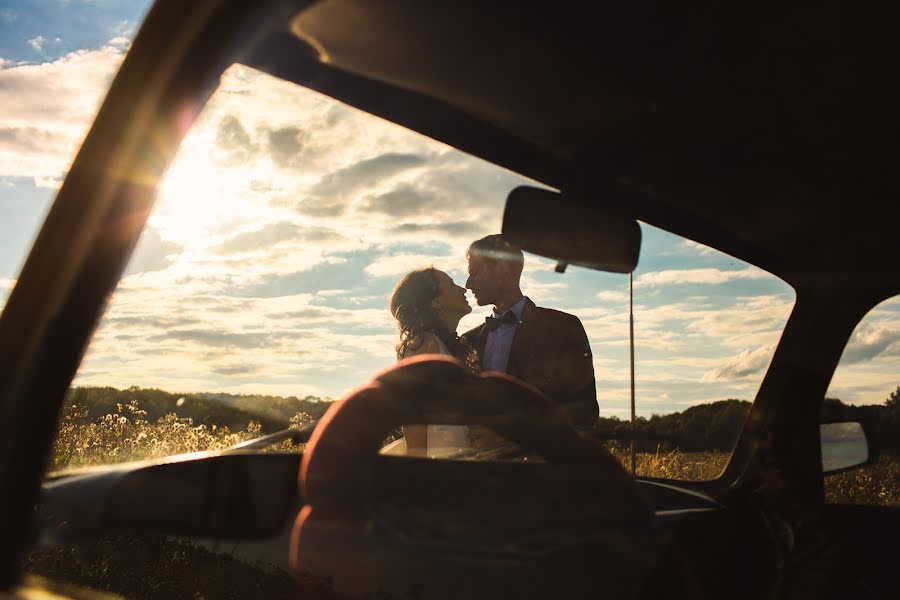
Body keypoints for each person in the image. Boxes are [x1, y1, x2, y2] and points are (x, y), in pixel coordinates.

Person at [463, 234, 598, 428]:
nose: (468, 284)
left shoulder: (563, 327)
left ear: (501, 269)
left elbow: (584, 409)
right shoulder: (469, 340)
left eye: (474, 273)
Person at [384, 267, 475, 457]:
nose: (463, 289)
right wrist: (419, 468)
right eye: (451, 284)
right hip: (437, 463)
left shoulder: (452, 347)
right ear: (435, 302)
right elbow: (412, 412)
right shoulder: (424, 344)